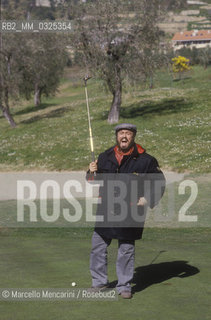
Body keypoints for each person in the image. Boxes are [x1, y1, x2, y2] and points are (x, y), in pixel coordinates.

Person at [87, 123, 165, 299]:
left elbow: (159, 183)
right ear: (116, 136)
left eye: (128, 133)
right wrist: (91, 172)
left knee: (126, 250)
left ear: (133, 136)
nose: (124, 136)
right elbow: (93, 180)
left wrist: (147, 199)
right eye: (121, 133)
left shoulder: (146, 160)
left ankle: (124, 286)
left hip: (131, 212)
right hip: (106, 210)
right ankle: (99, 282)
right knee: (98, 247)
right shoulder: (105, 156)